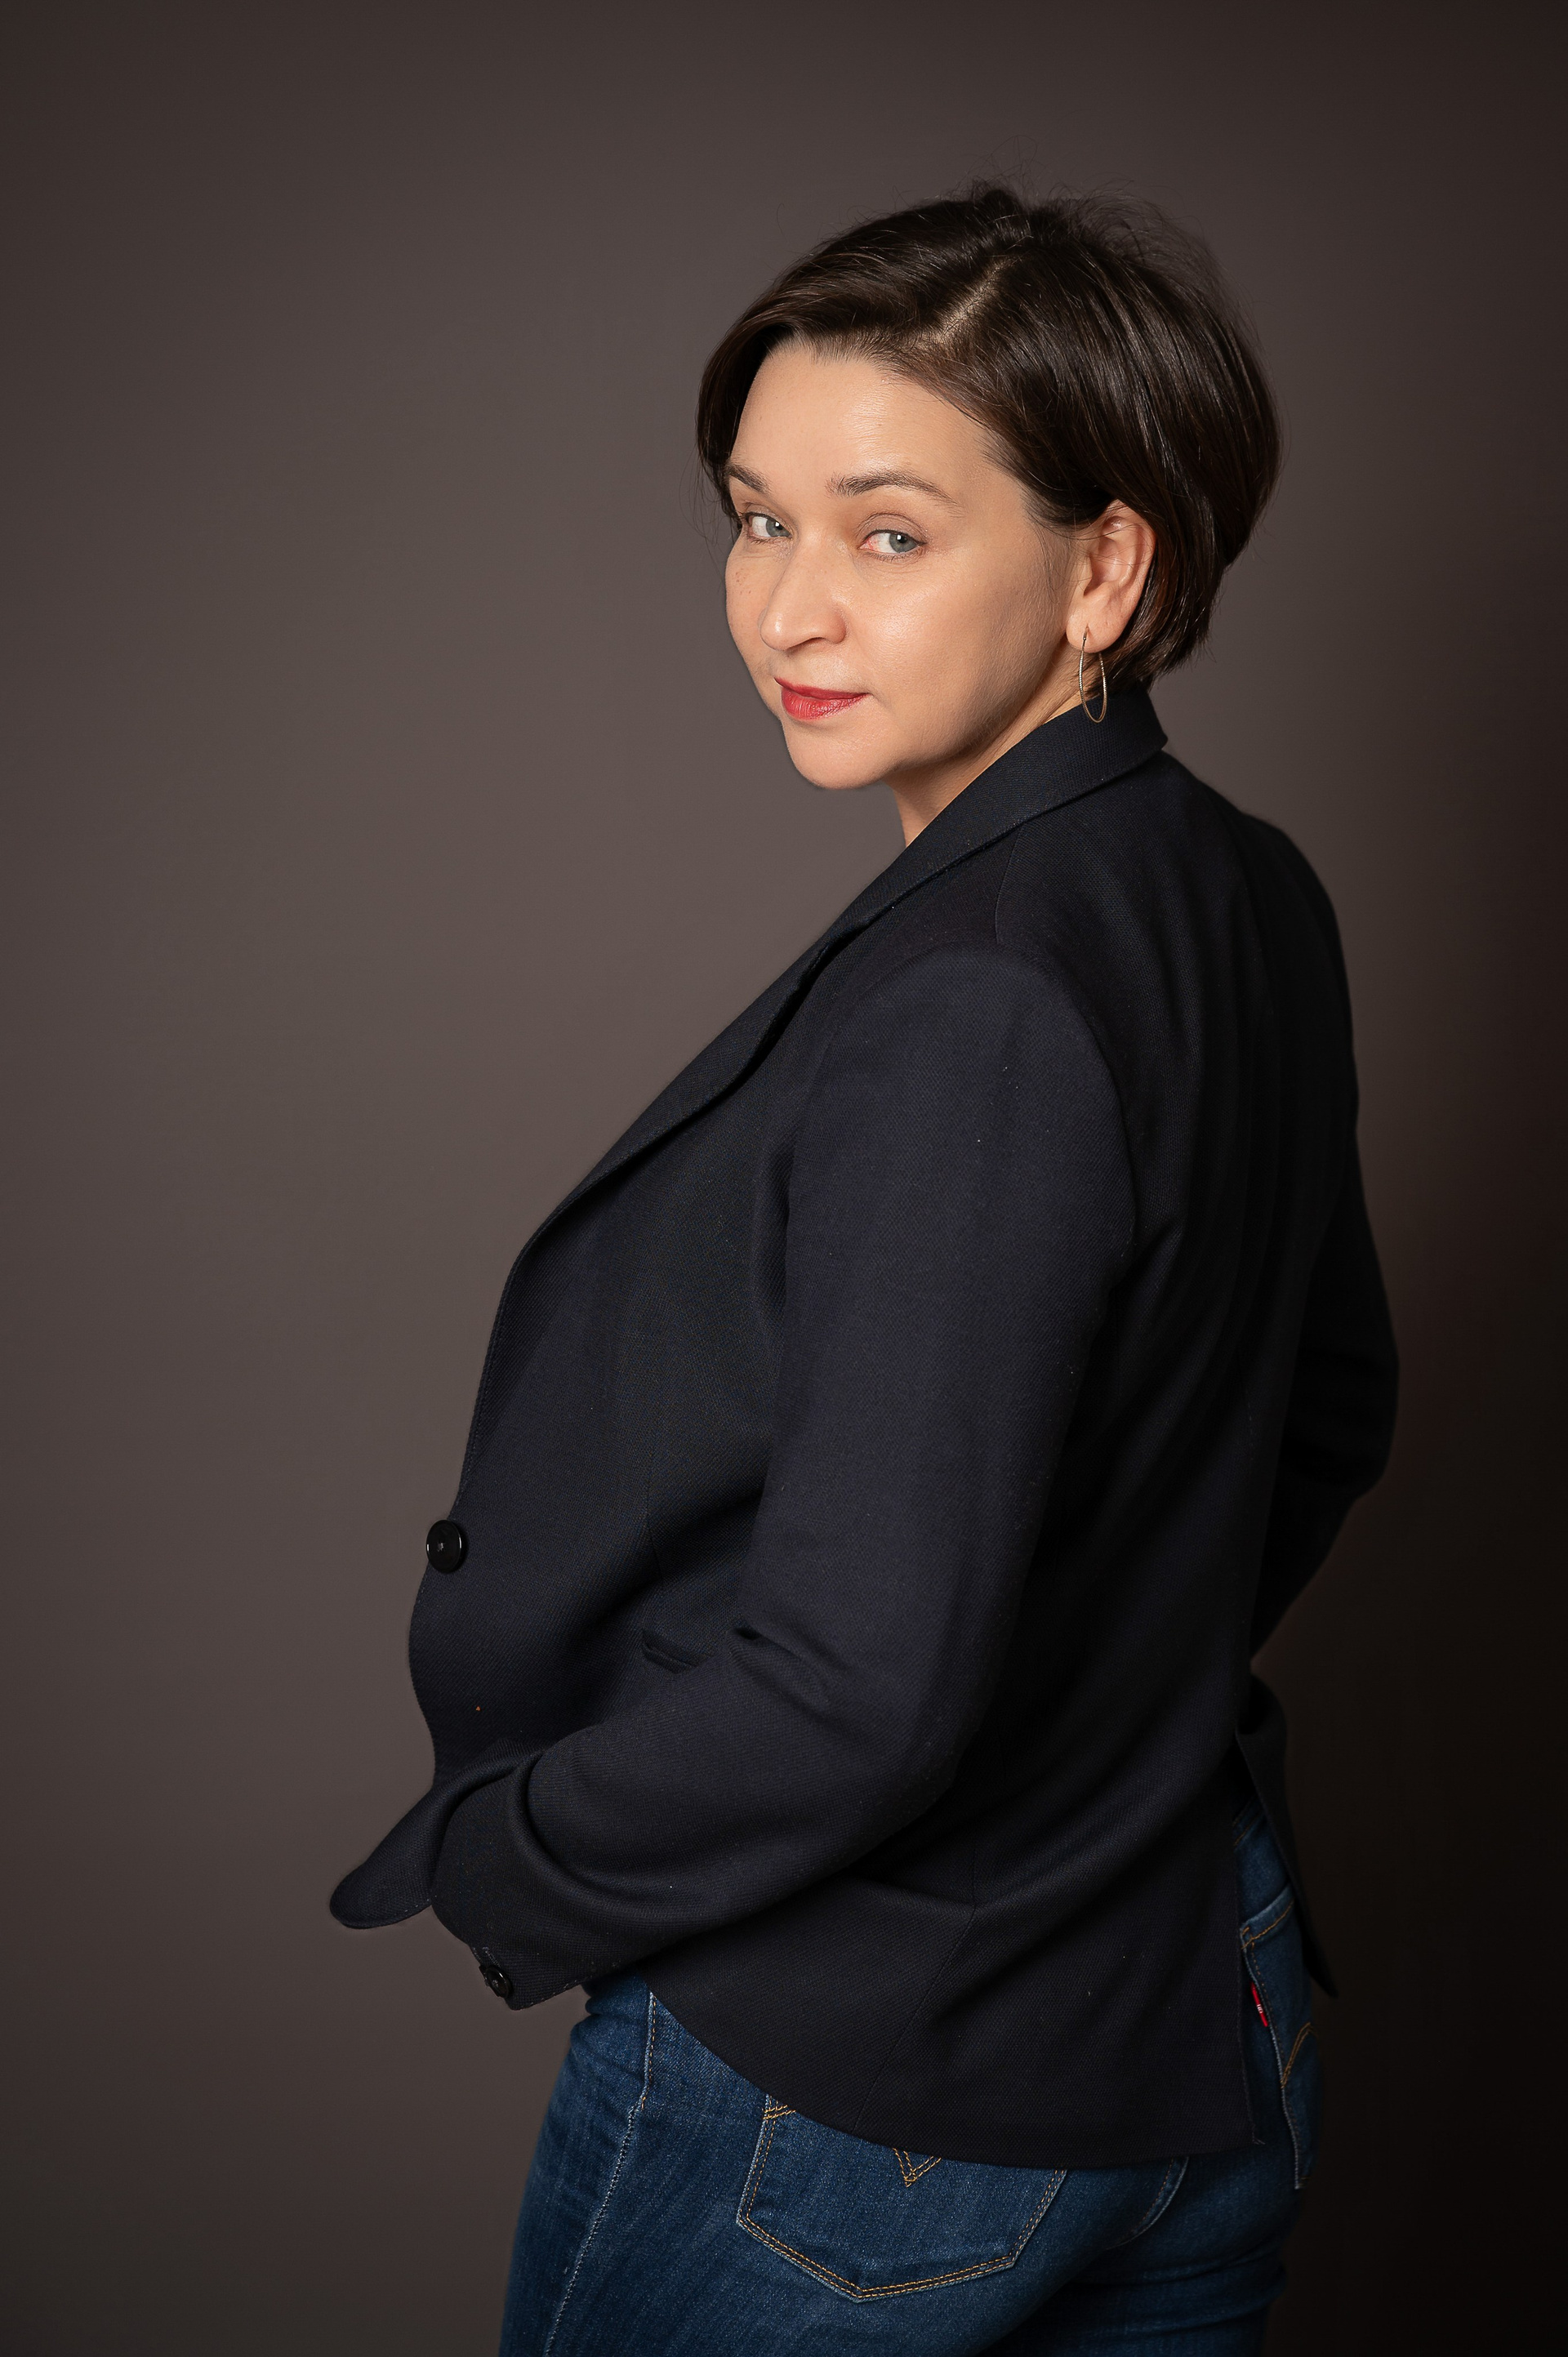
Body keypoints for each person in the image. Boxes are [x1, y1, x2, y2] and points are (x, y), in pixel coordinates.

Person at [331, 185, 1397, 2354]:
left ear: (1105, 571)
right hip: (1205, 2003)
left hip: (882, 2095)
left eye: (889, 533)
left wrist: (509, 1850)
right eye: (756, 519)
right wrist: (1097, 1716)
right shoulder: (1243, 885)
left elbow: (857, 1693)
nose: (788, 608)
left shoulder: (978, 998)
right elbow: (1329, 1411)